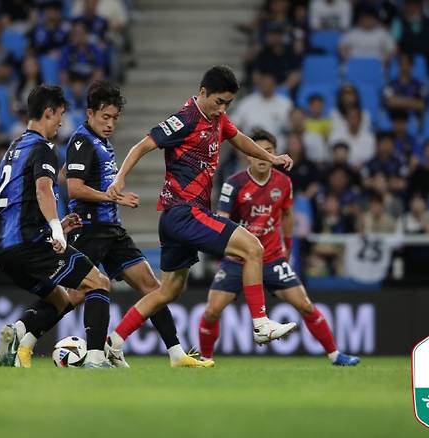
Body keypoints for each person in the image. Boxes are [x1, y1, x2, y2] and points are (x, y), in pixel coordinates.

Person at [104, 66, 297, 361]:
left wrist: (271, 158)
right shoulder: (185, 119)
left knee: (168, 291)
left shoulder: (217, 119)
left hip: (176, 218)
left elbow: (240, 139)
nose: (223, 109)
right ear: (203, 92)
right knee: (252, 247)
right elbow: (143, 145)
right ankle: (260, 323)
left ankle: (114, 341)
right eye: (219, 102)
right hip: (184, 212)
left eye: (228, 104)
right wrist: (119, 178)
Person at [65, 80, 206, 368]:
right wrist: (112, 197)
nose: (110, 124)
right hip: (89, 229)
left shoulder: (102, 143)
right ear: (90, 113)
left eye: (115, 119)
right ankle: (25, 332)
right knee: (74, 294)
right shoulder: (80, 141)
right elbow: (74, 188)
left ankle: (176, 353)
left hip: (112, 231)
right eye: (105, 117)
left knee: (151, 287)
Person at [198, 130, 359, 366]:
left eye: (269, 152)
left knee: (305, 305)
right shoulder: (234, 184)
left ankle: (335, 355)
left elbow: (287, 215)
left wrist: (289, 246)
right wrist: (229, 249)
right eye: (258, 152)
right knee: (212, 311)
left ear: (274, 154)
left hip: (272, 258)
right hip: (238, 259)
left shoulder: (284, 182)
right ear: (249, 156)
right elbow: (221, 220)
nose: (264, 157)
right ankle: (205, 359)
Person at [0, 84, 113, 368]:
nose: (61, 122)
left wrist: (55, 226)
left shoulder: (13, 149)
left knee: (61, 299)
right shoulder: (43, 147)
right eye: (60, 115)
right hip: (29, 243)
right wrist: (56, 231)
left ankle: (18, 333)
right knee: (99, 283)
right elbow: (43, 190)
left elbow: (17, 204)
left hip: (3, 248)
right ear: (49, 112)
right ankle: (96, 358)